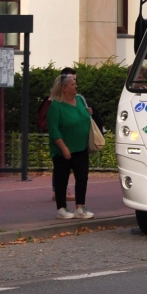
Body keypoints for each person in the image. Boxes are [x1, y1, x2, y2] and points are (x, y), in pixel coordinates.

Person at [46, 71, 94, 220]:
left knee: (82, 178)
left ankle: (80, 207)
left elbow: (85, 117)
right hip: (63, 150)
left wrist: (89, 113)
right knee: (62, 179)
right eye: (72, 84)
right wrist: (64, 147)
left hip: (81, 147)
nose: (76, 86)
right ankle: (61, 208)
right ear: (64, 88)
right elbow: (54, 130)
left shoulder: (79, 100)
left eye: (75, 83)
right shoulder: (56, 106)